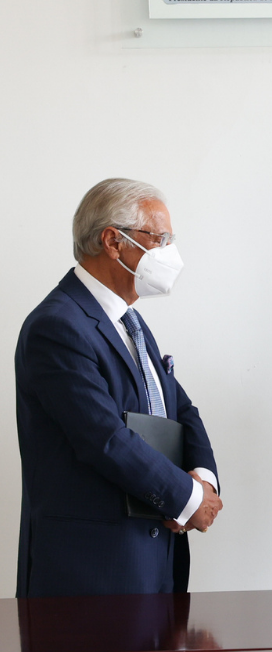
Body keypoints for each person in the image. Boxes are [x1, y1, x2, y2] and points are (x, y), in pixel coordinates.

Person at [14, 179, 222, 597]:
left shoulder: (130, 321)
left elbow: (179, 408)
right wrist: (187, 498)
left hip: (153, 562)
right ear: (113, 241)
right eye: (159, 238)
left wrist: (204, 480)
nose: (169, 252)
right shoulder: (57, 326)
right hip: (90, 573)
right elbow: (104, 439)